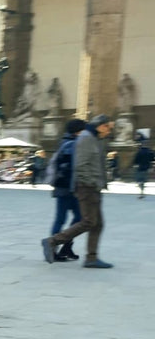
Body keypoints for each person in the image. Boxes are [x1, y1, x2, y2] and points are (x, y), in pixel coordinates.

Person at [42, 114, 115, 268]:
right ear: (101, 126)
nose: (110, 131)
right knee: (88, 221)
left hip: (93, 187)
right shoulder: (87, 138)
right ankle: (53, 241)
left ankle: (91, 257)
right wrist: (92, 183)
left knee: (97, 224)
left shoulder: (96, 139)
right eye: (109, 127)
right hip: (86, 187)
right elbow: (81, 165)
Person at [46, 118, 86, 261]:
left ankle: (65, 247)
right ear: (78, 131)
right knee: (64, 219)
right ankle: (53, 248)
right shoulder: (72, 144)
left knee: (77, 218)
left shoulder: (66, 142)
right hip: (68, 188)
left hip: (65, 187)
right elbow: (72, 169)